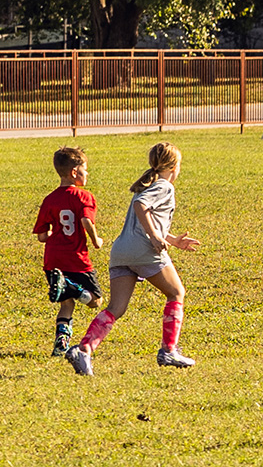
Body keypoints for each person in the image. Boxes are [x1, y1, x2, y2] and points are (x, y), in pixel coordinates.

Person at [65, 142, 200, 376]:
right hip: (143, 250)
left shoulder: (146, 185)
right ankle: (169, 350)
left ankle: (84, 350)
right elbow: (141, 206)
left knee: (116, 308)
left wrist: (173, 240)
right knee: (176, 293)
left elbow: (145, 215)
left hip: (121, 251)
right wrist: (156, 236)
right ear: (174, 166)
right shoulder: (164, 186)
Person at [33, 147, 104, 357]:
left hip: (53, 258)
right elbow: (85, 220)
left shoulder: (50, 199)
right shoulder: (84, 196)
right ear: (74, 172)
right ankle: (73, 287)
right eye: (85, 169)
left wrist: (55, 231)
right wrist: (96, 240)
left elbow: (42, 236)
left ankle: (61, 343)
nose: (87, 174)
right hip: (76, 259)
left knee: (66, 305)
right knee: (95, 300)